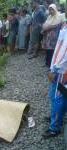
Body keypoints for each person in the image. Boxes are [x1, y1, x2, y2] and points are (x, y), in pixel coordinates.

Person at [43, 9, 67, 138]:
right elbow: (59, 48)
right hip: (59, 68)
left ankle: (55, 127)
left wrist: (55, 69)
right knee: (58, 96)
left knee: (57, 98)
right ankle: (56, 117)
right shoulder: (64, 25)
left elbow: (65, 54)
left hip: (62, 71)